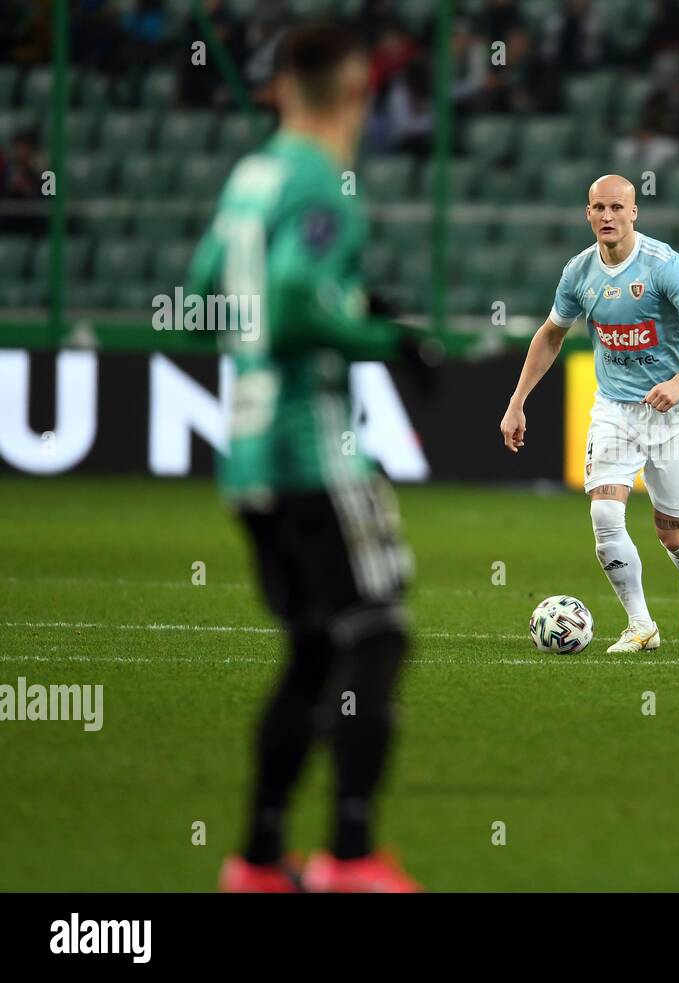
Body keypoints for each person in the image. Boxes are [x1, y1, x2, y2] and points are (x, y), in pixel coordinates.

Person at [189, 22, 438, 892]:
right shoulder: (324, 183)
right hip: (312, 445)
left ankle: (257, 860)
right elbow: (293, 306)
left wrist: (352, 297)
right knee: (376, 629)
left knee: (310, 649)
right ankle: (351, 854)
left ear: (280, 88)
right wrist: (381, 335)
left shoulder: (250, 179)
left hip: (247, 452)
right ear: (359, 93)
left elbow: (205, 285)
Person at [499, 174, 679, 652]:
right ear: (588, 213)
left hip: (676, 411)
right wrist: (516, 401)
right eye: (598, 208)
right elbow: (551, 334)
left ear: (633, 214)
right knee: (605, 512)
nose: (607, 217)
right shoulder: (578, 272)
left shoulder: (665, 265)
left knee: (673, 534)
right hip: (615, 410)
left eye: (616, 209)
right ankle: (641, 626)